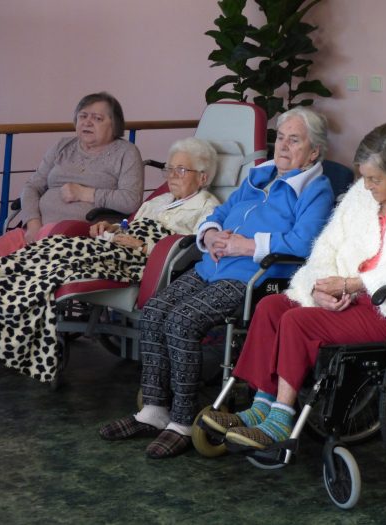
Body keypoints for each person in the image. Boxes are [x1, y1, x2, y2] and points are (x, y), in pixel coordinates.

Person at [197, 122, 386, 452]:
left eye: (375, 179)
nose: (367, 186)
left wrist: (351, 284)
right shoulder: (361, 194)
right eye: (364, 177)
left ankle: (280, 418)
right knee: (271, 307)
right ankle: (262, 403)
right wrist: (316, 289)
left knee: (298, 321)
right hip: (345, 295)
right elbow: (325, 248)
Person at [98, 107, 336, 459]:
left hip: (254, 278)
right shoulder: (260, 175)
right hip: (212, 265)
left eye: (295, 140)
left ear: (313, 152)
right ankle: (153, 410)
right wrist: (209, 235)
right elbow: (219, 213)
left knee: (182, 322)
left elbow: (304, 243)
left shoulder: (315, 189)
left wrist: (247, 246)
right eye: (281, 138)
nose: (283, 146)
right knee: (155, 311)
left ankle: (182, 422)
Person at [0, 137, 220, 382]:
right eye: (169, 169)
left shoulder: (208, 208)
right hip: (114, 246)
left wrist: (143, 246)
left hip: (138, 260)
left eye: (181, 170)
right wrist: (112, 227)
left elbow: (194, 249)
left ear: (203, 177)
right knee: (54, 246)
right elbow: (132, 224)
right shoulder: (159, 200)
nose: (171, 176)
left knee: (64, 259)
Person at [0, 91, 144, 257]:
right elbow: (32, 187)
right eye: (83, 116)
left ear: (115, 125)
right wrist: (33, 223)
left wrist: (85, 193)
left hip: (76, 240)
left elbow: (131, 201)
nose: (87, 122)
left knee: (10, 268)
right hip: (34, 232)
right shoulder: (63, 146)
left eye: (97, 118)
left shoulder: (127, 153)